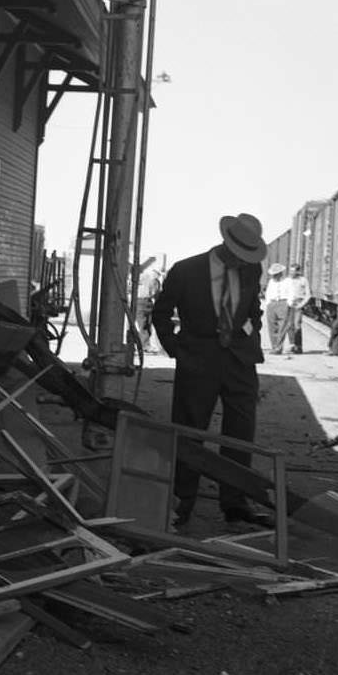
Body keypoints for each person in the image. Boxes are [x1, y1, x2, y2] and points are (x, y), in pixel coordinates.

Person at [151, 213, 272, 528]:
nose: (241, 260)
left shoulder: (251, 269)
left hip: (240, 363)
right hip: (198, 360)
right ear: (226, 243)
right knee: (190, 432)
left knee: (240, 434)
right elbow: (160, 313)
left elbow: (254, 311)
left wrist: (247, 331)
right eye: (239, 253)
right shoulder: (186, 270)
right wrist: (177, 350)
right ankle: (181, 502)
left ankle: (235, 503)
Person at [133, 262, 163, 352]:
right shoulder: (151, 280)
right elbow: (155, 293)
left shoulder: (147, 279)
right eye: (157, 274)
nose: (157, 275)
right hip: (143, 302)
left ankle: (144, 345)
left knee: (146, 325)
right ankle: (144, 346)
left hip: (143, 302)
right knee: (144, 325)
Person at [263, 263, 291, 354]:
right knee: (272, 326)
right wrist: (268, 303)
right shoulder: (271, 282)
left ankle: (278, 347)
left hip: (283, 302)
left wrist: (288, 303)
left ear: (280, 273)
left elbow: (291, 292)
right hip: (272, 303)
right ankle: (274, 346)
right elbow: (268, 293)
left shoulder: (287, 281)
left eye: (276, 273)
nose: (274, 275)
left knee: (282, 326)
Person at [286, 263, 311, 354]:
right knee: (289, 325)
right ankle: (292, 345)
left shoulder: (303, 280)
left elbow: (308, 295)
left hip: (298, 304)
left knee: (297, 325)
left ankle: (299, 346)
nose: (291, 273)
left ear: (298, 271)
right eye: (290, 271)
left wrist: (302, 304)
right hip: (289, 304)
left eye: (293, 271)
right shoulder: (287, 280)